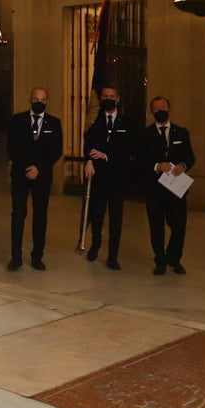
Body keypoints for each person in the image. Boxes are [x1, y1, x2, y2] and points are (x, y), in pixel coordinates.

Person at [6, 87, 63, 271]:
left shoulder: (54, 123)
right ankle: (15, 257)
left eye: (43, 99)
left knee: (40, 216)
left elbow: (56, 151)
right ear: (30, 99)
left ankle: (37, 256)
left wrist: (39, 168)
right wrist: (25, 168)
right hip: (20, 175)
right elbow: (11, 147)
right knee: (18, 215)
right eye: (36, 98)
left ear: (47, 102)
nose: (39, 102)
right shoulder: (17, 120)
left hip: (42, 176)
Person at [139, 95, 196, 276]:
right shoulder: (145, 135)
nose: (160, 111)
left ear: (169, 108)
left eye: (163, 107)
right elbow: (139, 161)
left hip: (176, 187)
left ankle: (174, 258)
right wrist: (157, 166)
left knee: (179, 225)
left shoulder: (181, 133)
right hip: (155, 189)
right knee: (156, 226)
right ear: (152, 111)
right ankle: (160, 261)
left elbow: (190, 157)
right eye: (156, 109)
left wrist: (183, 166)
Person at [82, 83, 134, 270]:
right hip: (98, 176)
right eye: (105, 96)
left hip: (117, 178)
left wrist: (106, 155)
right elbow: (88, 142)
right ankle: (96, 243)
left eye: (112, 96)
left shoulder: (126, 123)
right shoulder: (94, 120)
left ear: (118, 99)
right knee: (97, 214)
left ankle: (113, 256)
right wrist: (88, 160)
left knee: (116, 218)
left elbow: (128, 150)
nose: (108, 99)